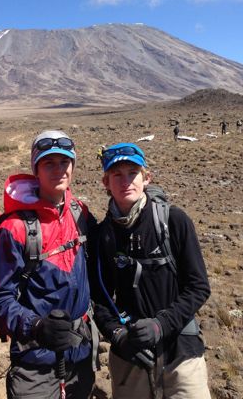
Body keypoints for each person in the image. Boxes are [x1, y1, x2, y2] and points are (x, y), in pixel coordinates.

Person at [89, 142, 211, 399]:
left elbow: (198, 287)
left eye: (133, 173)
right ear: (105, 182)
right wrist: (118, 336)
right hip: (130, 356)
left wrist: (160, 325)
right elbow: (99, 299)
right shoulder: (102, 236)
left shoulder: (174, 221)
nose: (126, 181)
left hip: (181, 353)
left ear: (146, 178)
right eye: (117, 175)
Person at [0, 130, 97, 399]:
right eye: (49, 163)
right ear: (36, 170)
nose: (58, 170)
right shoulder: (15, 228)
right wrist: (36, 326)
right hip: (35, 362)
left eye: (64, 162)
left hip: (81, 355)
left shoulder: (80, 214)